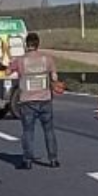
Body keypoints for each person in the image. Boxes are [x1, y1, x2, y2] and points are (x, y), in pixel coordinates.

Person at [7, 32, 60, 170]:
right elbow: (54, 78)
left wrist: (11, 65)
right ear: (38, 44)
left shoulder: (20, 60)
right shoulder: (47, 59)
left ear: (26, 44)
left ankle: (27, 161)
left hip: (27, 102)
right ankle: (53, 159)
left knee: (28, 132)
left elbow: (6, 72)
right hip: (45, 100)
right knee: (49, 131)